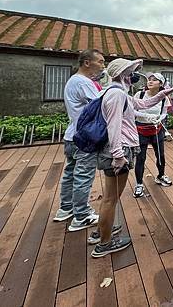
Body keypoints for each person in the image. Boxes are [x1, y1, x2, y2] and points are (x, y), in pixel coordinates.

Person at [93, 58, 173, 257]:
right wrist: (117, 155)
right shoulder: (116, 94)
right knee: (111, 199)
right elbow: (113, 126)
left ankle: (101, 232)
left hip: (119, 148)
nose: (135, 76)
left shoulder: (118, 92)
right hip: (119, 149)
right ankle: (104, 243)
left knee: (109, 198)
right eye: (131, 72)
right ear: (122, 74)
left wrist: (163, 94)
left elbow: (140, 103)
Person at [54, 49, 105, 231]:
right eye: (100, 61)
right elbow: (101, 105)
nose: (102, 65)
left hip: (72, 135)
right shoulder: (84, 82)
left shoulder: (73, 80)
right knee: (83, 175)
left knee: (70, 173)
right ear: (87, 62)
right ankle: (81, 215)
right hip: (85, 138)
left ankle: (66, 208)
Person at [133, 73, 173, 198]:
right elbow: (132, 110)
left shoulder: (163, 98)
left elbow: (164, 113)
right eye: (149, 79)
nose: (150, 81)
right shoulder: (139, 95)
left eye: (154, 80)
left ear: (161, 84)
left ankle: (160, 176)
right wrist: (146, 116)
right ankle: (139, 184)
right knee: (141, 158)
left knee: (160, 155)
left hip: (157, 130)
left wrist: (159, 118)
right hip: (141, 130)